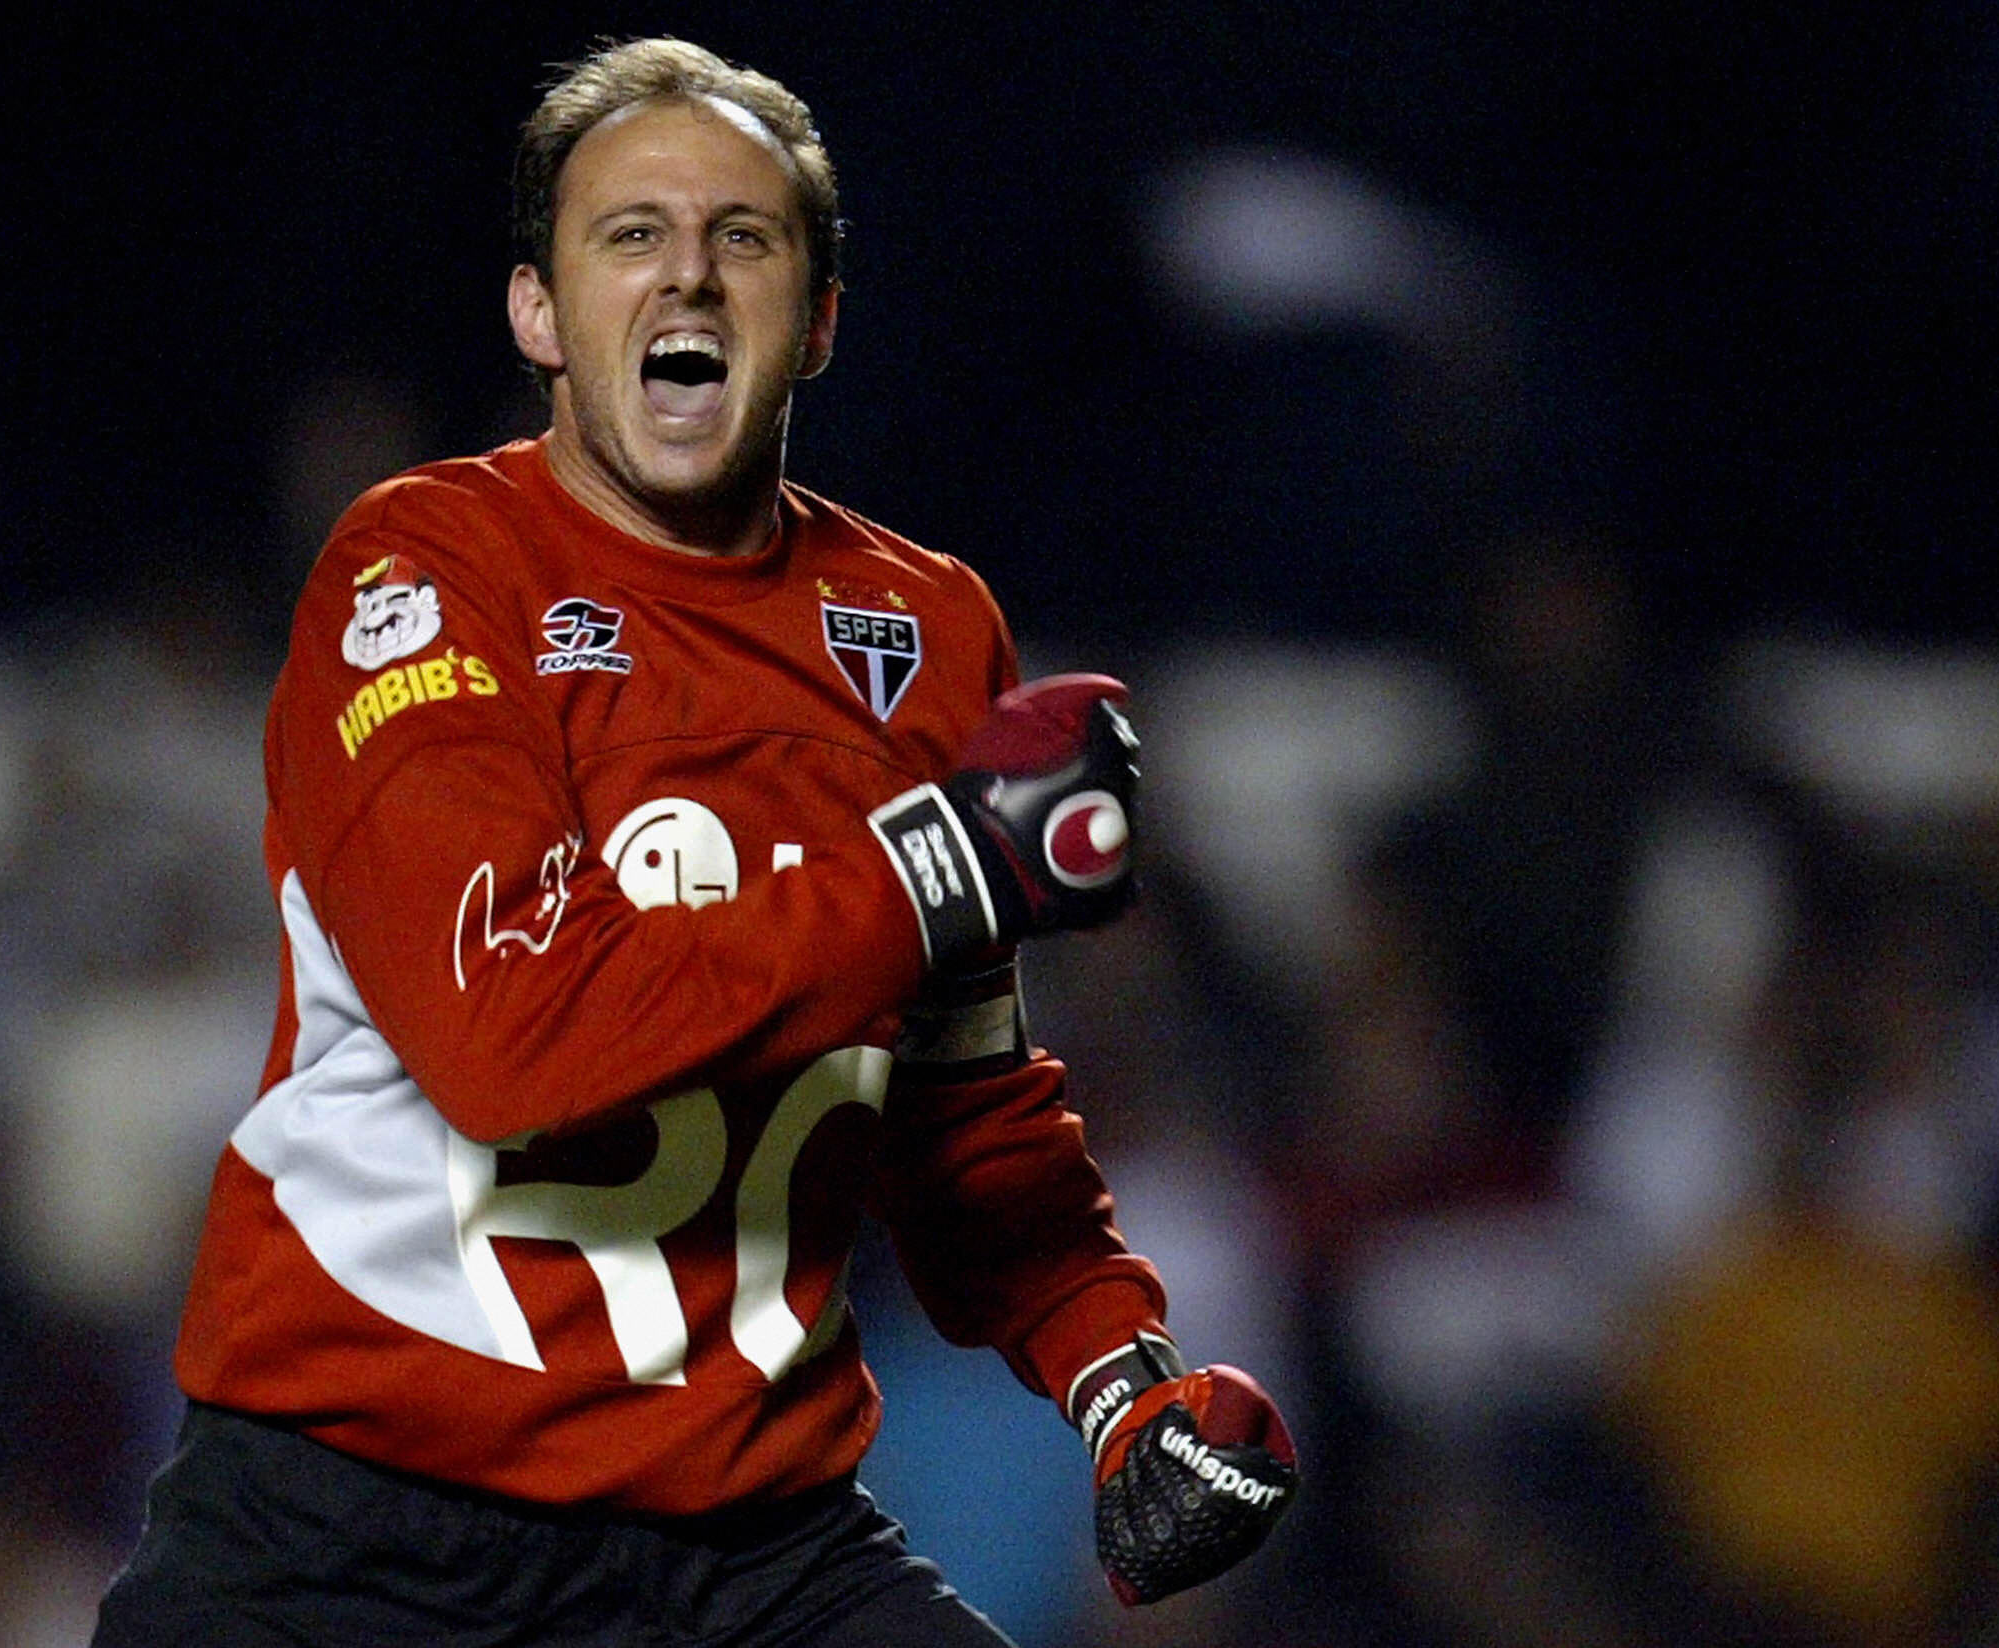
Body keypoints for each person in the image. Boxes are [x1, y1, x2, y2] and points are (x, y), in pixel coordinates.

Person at [92, 36, 1295, 1648]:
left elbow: (961, 1122)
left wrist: (1117, 1382)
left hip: (748, 1552)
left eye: (745, 237)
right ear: (538, 314)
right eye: (630, 235)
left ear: (819, 321)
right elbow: (513, 1041)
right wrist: (939, 866)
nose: (691, 279)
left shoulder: (928, 634)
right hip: (353, 1543)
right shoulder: (425, 570)